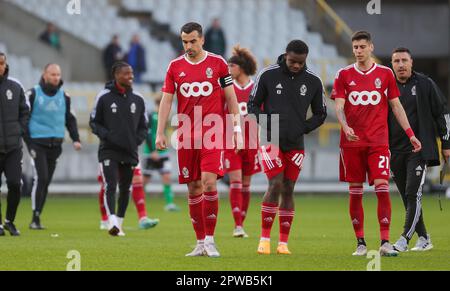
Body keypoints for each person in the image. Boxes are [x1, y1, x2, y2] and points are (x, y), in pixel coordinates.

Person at [331, 31, 422, 257]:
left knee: (382, 187)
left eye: (363, 46)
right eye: (355, 47)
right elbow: (339, 106)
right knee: (355, 192)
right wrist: (344, 126)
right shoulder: (343, 74)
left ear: (371, 47)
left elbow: (396, 106)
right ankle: (360, 242)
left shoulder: (385, 74)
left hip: (378, 141)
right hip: (351, 143)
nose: (359, 51)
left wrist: (410, 133)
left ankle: (384, 241)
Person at [156, 22, 242, 257]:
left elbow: (231, 98)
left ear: (202, 39)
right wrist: (160, 131)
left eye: (193, 41)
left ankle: (212, 241)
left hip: (213, 133)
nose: (189, 46)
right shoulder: (174, 66)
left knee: (209, 182)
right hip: (185, 134)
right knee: (193, 187)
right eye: (185, 41)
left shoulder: (218, 63)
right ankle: (200, 242)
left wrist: (237, 129)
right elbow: (166, 100)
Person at [248, 40, 327, 255]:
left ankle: (283, 243)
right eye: (293, 61)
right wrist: (266, 122)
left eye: (301, 63)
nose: (296, 66)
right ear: (285, 55)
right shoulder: (267, 75)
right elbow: (252, 104)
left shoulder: (313, 81)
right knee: (275, 184)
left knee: (289, 188)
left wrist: (304, 127)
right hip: (269, 139)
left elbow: (321, 113)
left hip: (295, 144)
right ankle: (264, 239)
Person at [388, 47, 450, 252]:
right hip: (394, 150)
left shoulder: (425, 83)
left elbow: (442, 114)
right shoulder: (386, 85)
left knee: (413, 193)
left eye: (404, 60)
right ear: (392, 63)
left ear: (411, 62)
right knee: (407, 197)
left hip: (419, 150)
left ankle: (404, 239)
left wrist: (446, 144)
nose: (401, 64)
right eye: (396, 61)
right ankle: (424, 237)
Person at [90, 61, 148, 237]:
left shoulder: (138, 99)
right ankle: (112, 221)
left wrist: (135, 141)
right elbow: (94, 122)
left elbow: (143, 127)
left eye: (131, 73)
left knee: (126, 188)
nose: (130, 76)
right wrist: (108, 136)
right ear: (116, 75)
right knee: (110, 185)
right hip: (108, 150)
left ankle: (119, 224)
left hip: (130, 151)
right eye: (126, 73)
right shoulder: (104, 96)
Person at [25, 63, 81, 230]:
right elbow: (23, 119)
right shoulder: (33, 93)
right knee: (41, 178)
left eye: (58, 74)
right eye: (52, 74)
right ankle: (35, 217)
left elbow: (70, 119)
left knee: (46, 181)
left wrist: (76, 139)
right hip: (37, 143)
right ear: (45, 75)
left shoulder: (65, 96)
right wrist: (28, 142)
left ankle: (38, 216)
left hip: (55, 144)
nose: (56, 77)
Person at [225, 45, 260, 238]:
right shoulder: (227, 87)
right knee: (235, 182)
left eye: (232, 66)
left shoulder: (256, 88)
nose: (229, 69)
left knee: (246, 184)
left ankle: (241, 224)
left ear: (242, 67)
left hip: (252, 141)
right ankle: (237, 225)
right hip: (232, 141)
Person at [0, 52, 30, 236]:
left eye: (2, 63)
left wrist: (20, 129)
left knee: (15, 184)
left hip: (12, 147)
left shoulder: (16, 86)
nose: (0, 66)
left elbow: (25, 111)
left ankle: (9, 221)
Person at [143, 95, 179, 212]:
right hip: (151, 153)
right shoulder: (150, 116)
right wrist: (152, 150)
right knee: (144, 180)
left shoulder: (164, 117)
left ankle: (169, 204)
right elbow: (147, 134)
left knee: (167, 177)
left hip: (163, 152)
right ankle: (139, 202)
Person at [98, 164, 159, 230]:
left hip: (130, 155)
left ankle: (143, 218)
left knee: (137, 180)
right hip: (111, 155)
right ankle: (105, 220)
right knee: (108, 184)